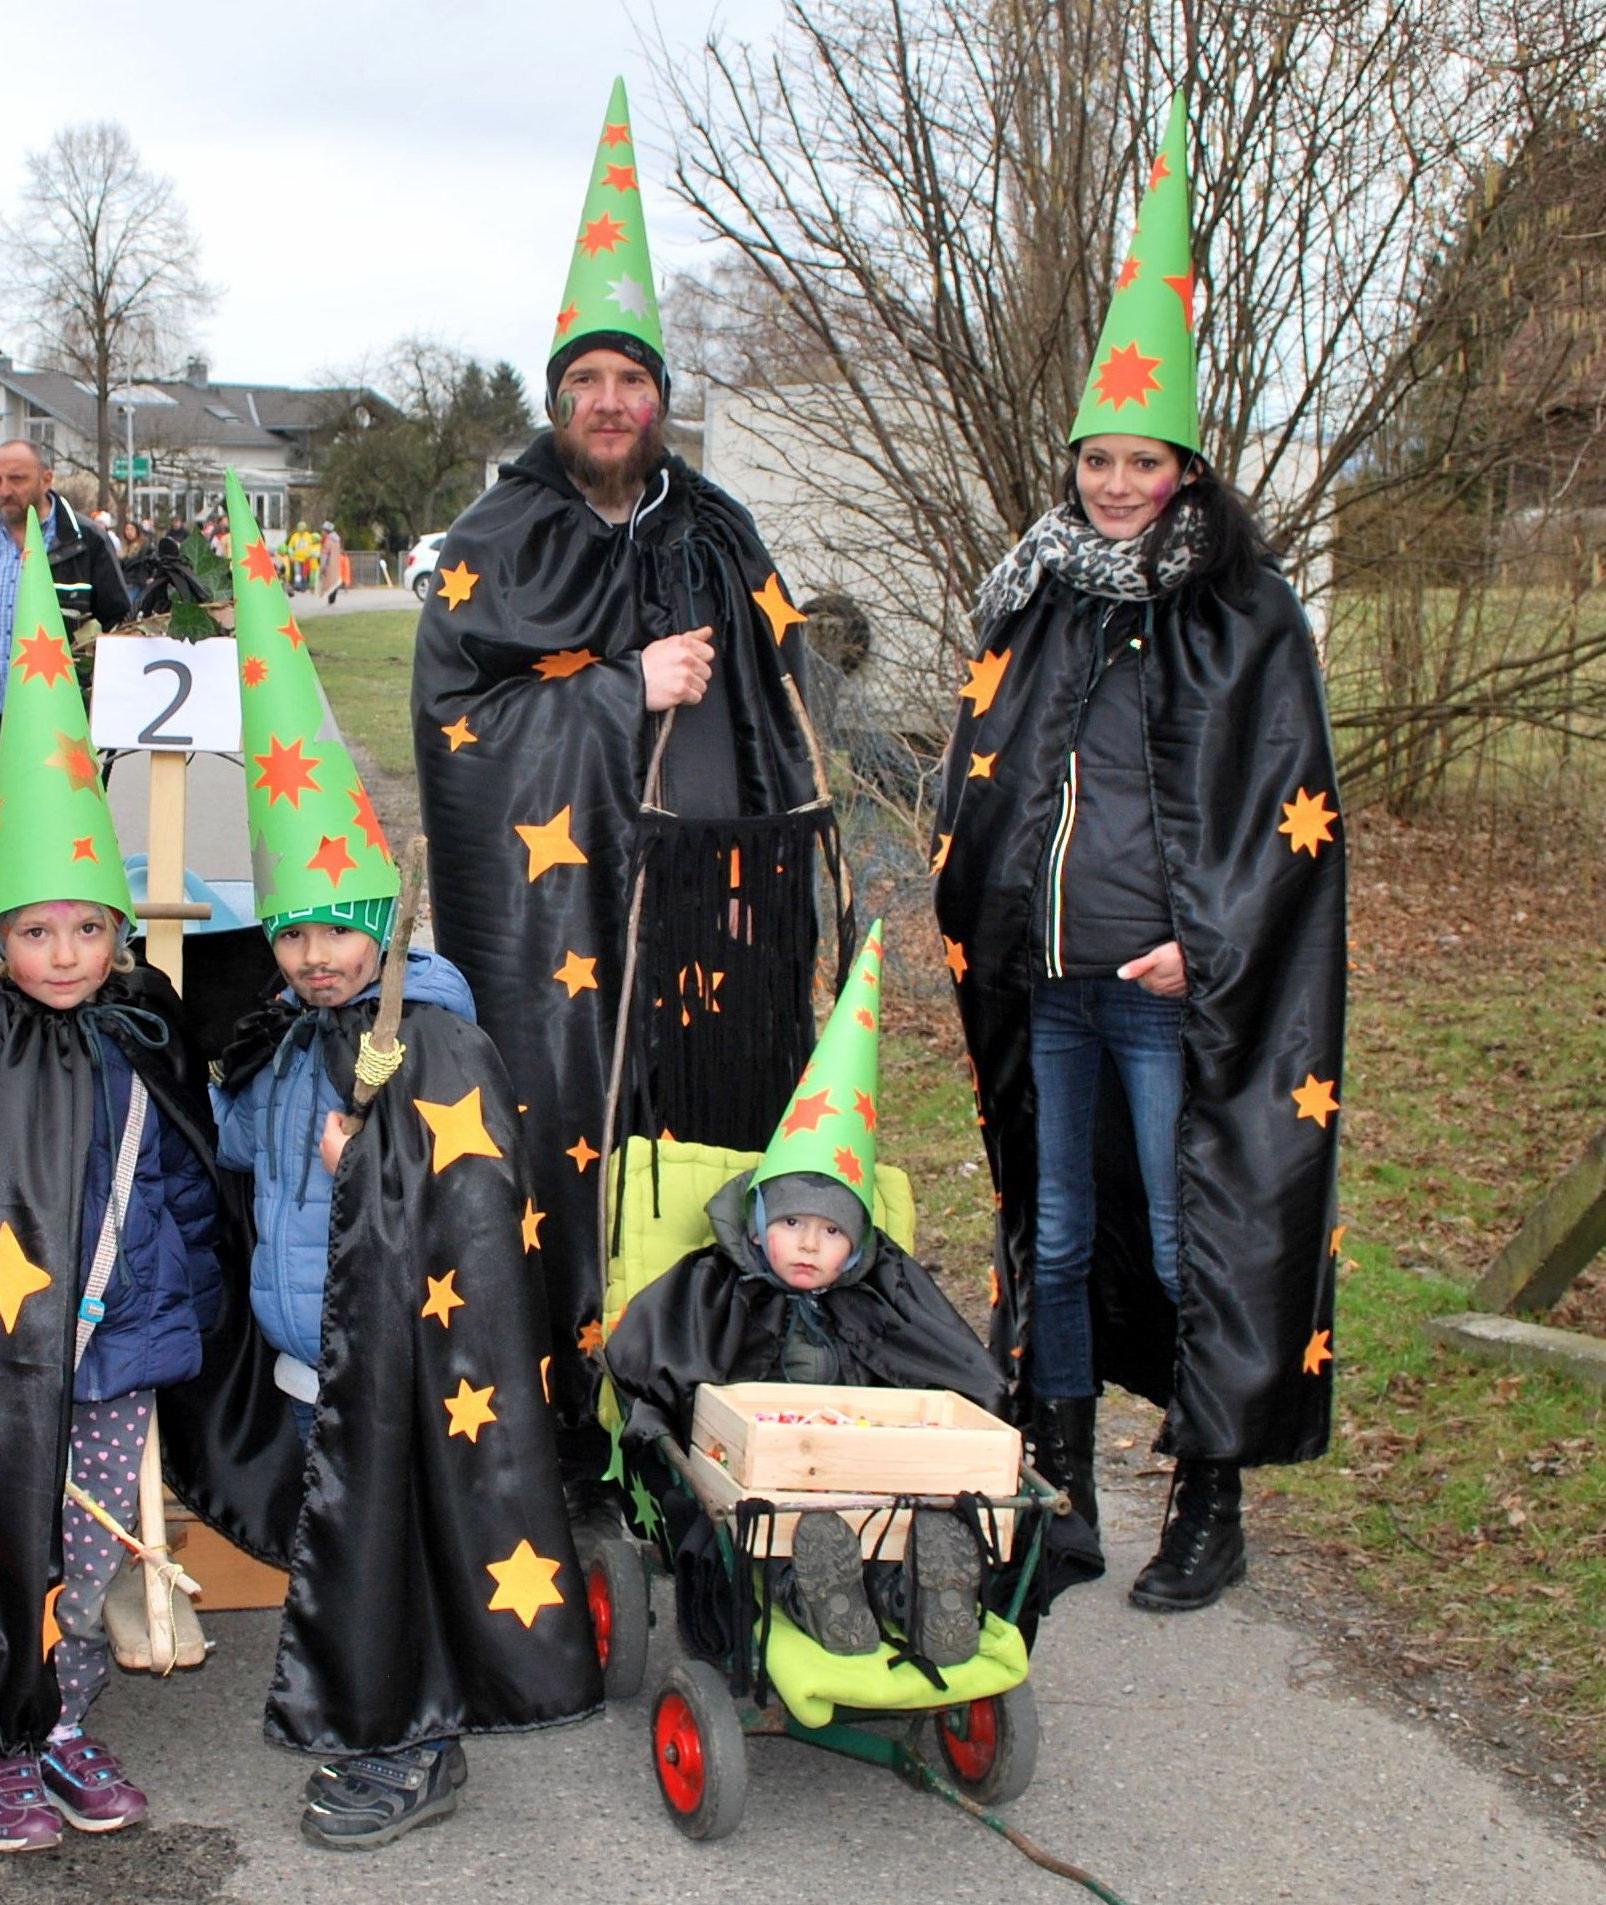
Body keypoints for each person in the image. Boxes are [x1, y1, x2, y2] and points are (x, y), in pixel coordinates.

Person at [934, 94, 1346, 1615]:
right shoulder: (1039, 599)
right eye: (1095, 462)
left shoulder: (1244, 613)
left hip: (1171, 988)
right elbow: (996, 768)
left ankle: (1207, 1501)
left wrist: (1207, 934)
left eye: (1142, 462)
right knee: (1052, 1241)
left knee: (1186, 1250)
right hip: (1051, 984)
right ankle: (1060, 1491)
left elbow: (1285, 807)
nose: (1114, 485)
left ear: (1186, 463)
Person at [163, 475, 599, 1851]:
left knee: (386, 1559)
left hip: (400, 1368)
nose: (314, 958)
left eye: (340, 931)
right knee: (334, 1550)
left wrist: (384, 1157)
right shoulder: (289, 1038)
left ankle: (406, 1741)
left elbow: (468, 1198)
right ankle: (380, 1709)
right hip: (303, 1358)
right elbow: (233, 1163)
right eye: (293, 936)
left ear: (385, 919)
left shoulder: (435, 1036)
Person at [412, 78, 829, 1447]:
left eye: (630, 379)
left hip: (703, 909)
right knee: (561, 1149)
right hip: (559, 920)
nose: (608, 400)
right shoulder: (500, 534)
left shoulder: (719, 530)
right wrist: (612, 693)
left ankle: (682, 1392)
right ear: (557, 400)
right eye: (585, 381)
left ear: (661, 398)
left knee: (692, 1147)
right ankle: (558, 1419)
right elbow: (454, 718)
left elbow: (784, 713)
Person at [0, 517, 224, 1852]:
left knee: (86, 1554)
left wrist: (184, 1316)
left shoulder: (147, 1027)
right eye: (39, 929)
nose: (70, 949)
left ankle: (67, 1717)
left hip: (121, 1344)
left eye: (90, 925)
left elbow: (188, 1188)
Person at [605, 925, 1008, 1669]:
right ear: (759, 1225)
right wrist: (681, 1425)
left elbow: (953, 1364)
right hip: (763, 1482)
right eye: (791, 1223)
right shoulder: (716, 1281)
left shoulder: (882, 1288)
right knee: (783, 1535)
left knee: (909, 1520)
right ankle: (816, 1598)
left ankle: (923, 1595)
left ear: (856, 1242)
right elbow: (648, 1350)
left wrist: (972, 1431)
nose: (809, 1245)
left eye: (831, 1231)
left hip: (875, 1472)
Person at [0, 439, 130, 844]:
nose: (5, 489)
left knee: (58, 810)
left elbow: (119, 621)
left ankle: (50, 896)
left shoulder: (85, 540)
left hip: (59, 706)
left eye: (17, 479)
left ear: (47, 479)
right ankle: (13, 894)